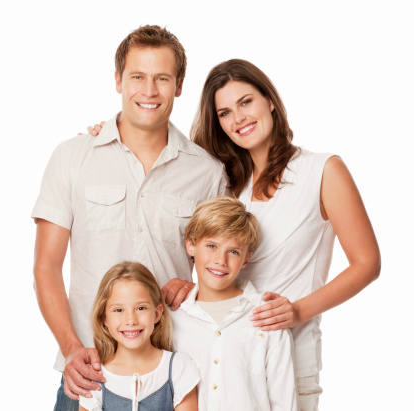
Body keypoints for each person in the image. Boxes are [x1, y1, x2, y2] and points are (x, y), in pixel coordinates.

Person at [88, 59, 381, 410]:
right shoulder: (226, 183)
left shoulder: (322, 170)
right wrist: (103, 140)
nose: (238, 118)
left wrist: (297, 312)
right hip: (210, 358)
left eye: (246, 102)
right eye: (225, 112)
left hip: (288, 358)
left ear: (270, 100)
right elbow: (206, 244)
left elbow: (367, 263)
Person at [32, 25, 227, 409]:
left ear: (180, 85)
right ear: (119, 79)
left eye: (162, 78)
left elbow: (221, 268)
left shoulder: (206, 173)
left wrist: (196, 288)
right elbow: (45, 268)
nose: (149, 91)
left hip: (170, 378)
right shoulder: (72, 158)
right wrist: (72, 349)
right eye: (138, 77)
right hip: (87, 375)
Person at [171, 196, 299, 410]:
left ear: (246, 259)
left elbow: (284, 401)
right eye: (211, 245)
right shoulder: (173, 319)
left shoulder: (267, 317)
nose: (221, 260)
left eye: (233, 252)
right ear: (191, 245)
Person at [79, 262, 199, 411]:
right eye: (118, 310)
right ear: (104, 319)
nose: (131, 320)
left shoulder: (179, 367)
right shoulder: (94, 378)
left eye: (141, 308)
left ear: (157, 313)